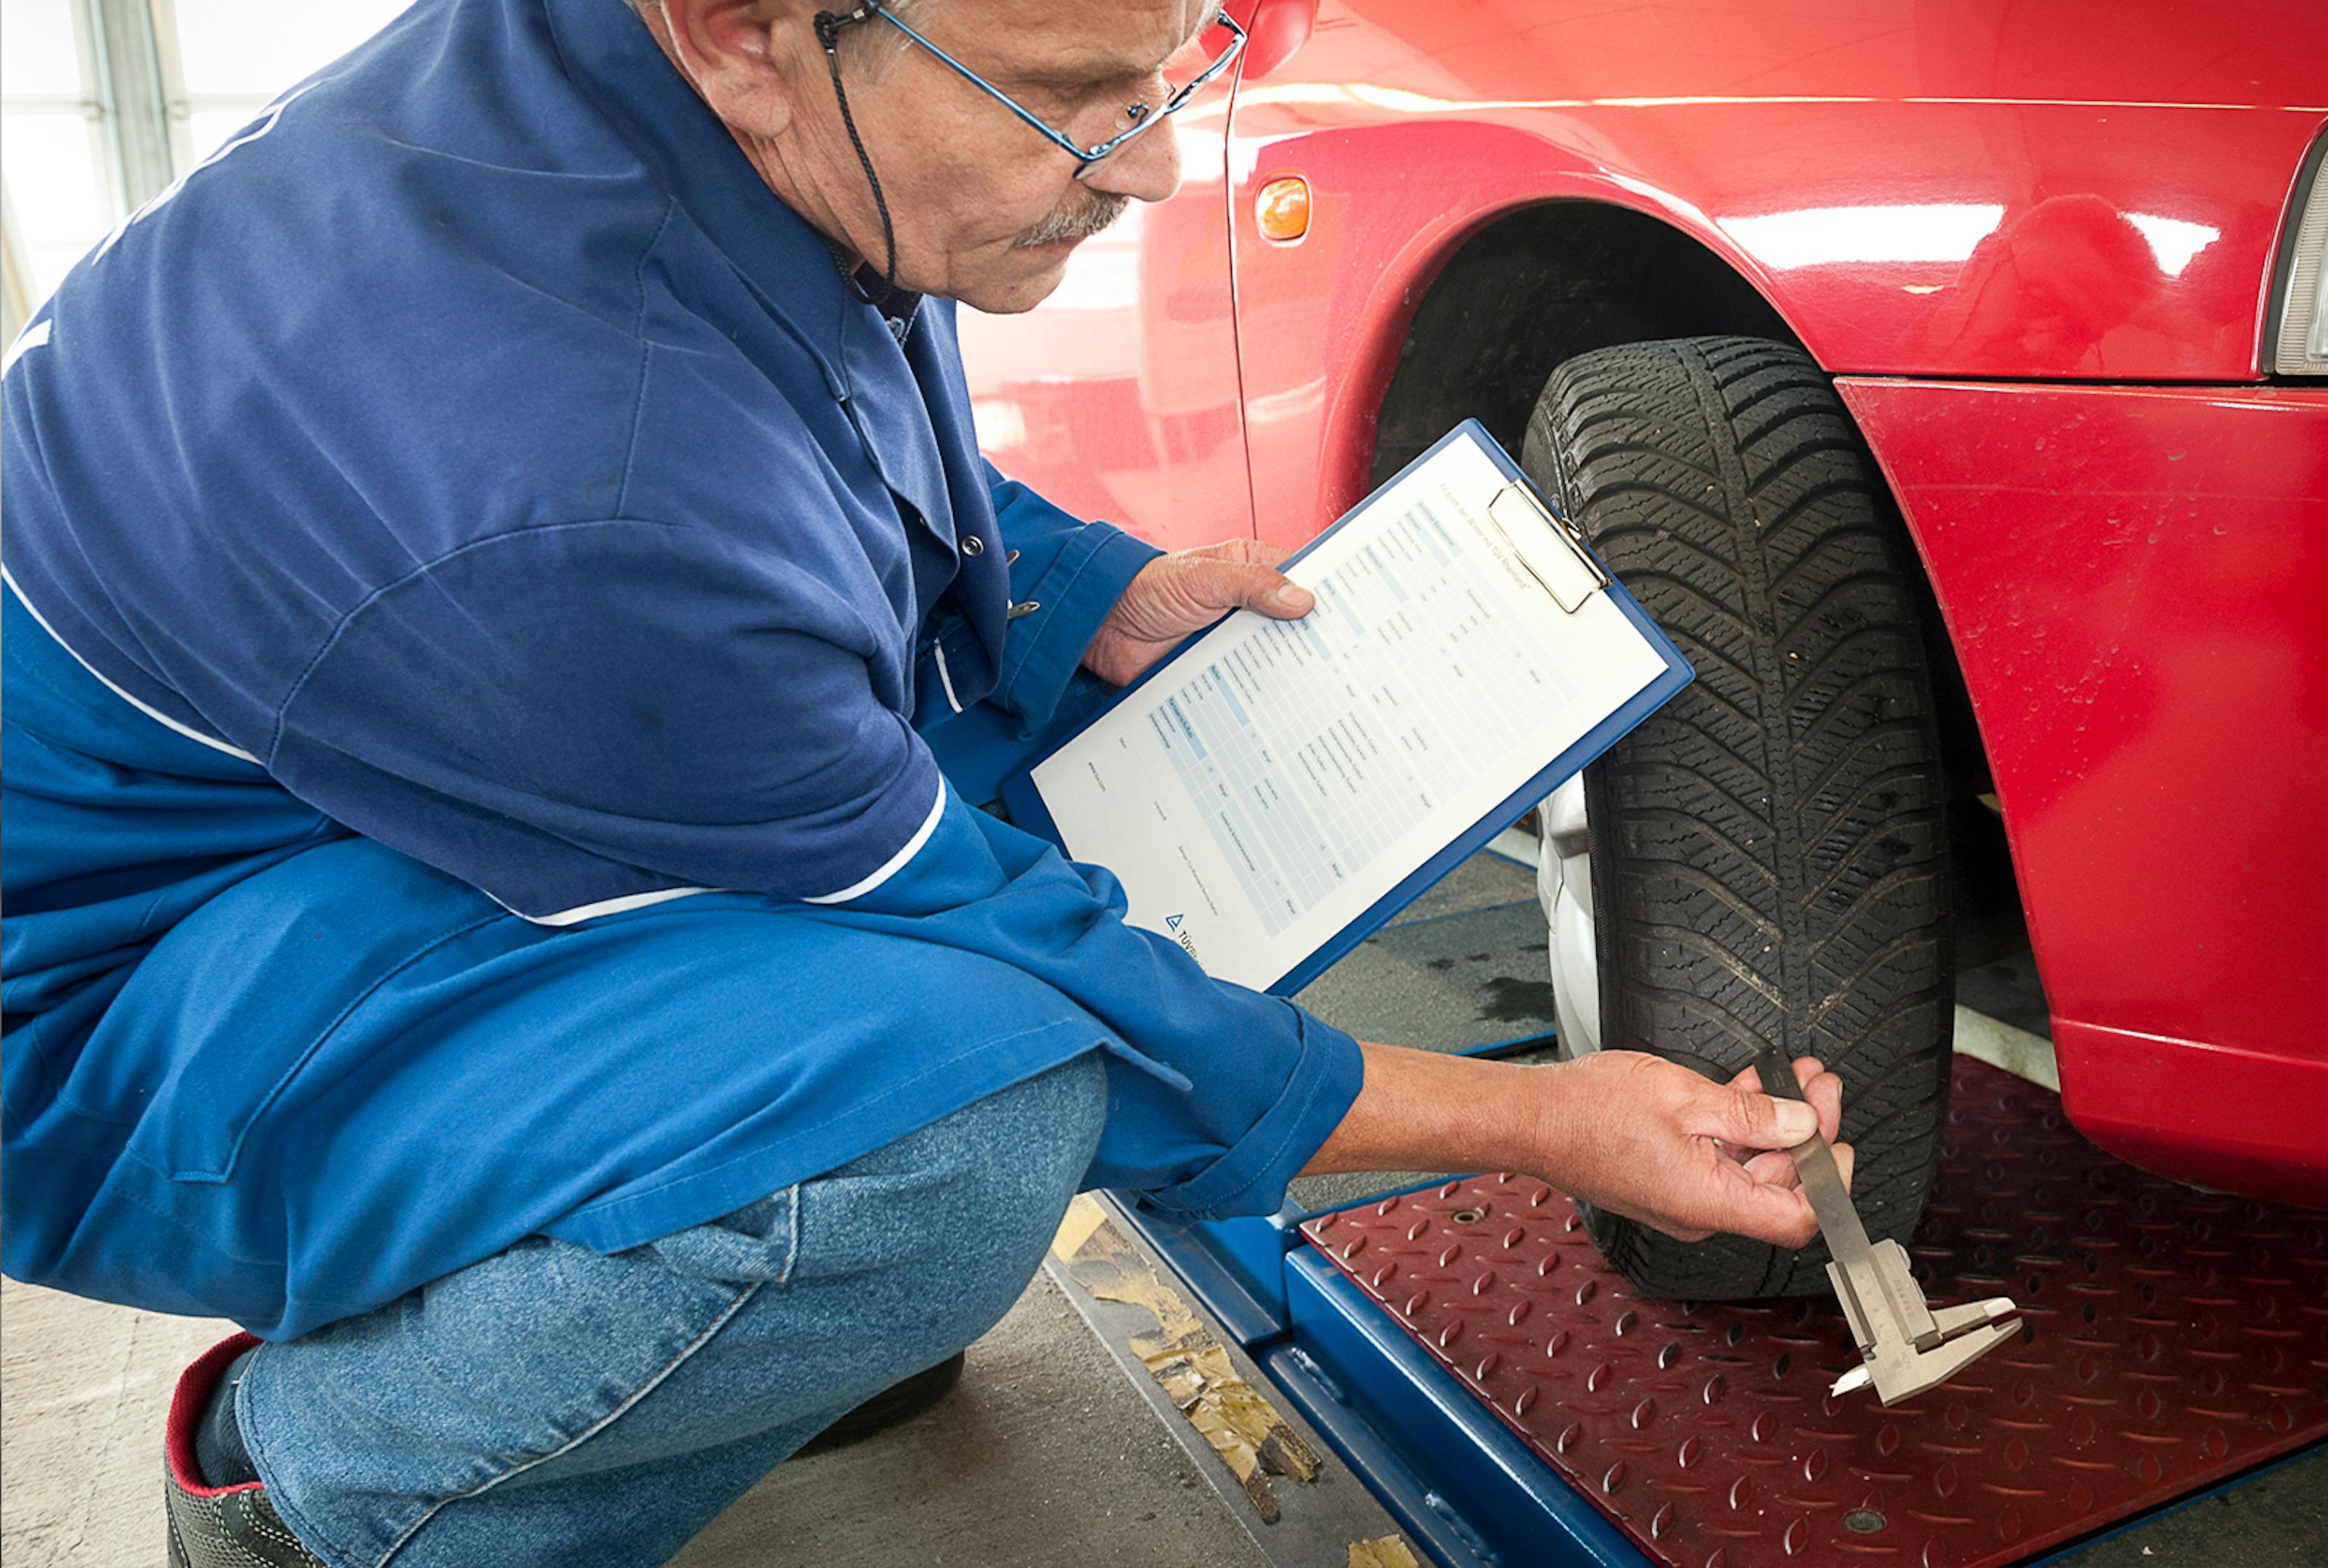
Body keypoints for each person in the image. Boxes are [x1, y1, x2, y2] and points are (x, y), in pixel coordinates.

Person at [0, 1, 1856, 1563]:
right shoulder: (587, 476)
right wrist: (1548, 1119)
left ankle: (727, 1300)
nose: (1144, 164)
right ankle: (331, 1483)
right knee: (948, 1131)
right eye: (1067, 99)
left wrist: (1079, 581)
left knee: (1066, 760)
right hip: (105, 994)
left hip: (332, 761)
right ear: (747, 34)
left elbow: (800, 394)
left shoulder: (703, 97)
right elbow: (1028, 954)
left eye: (1172, 68)